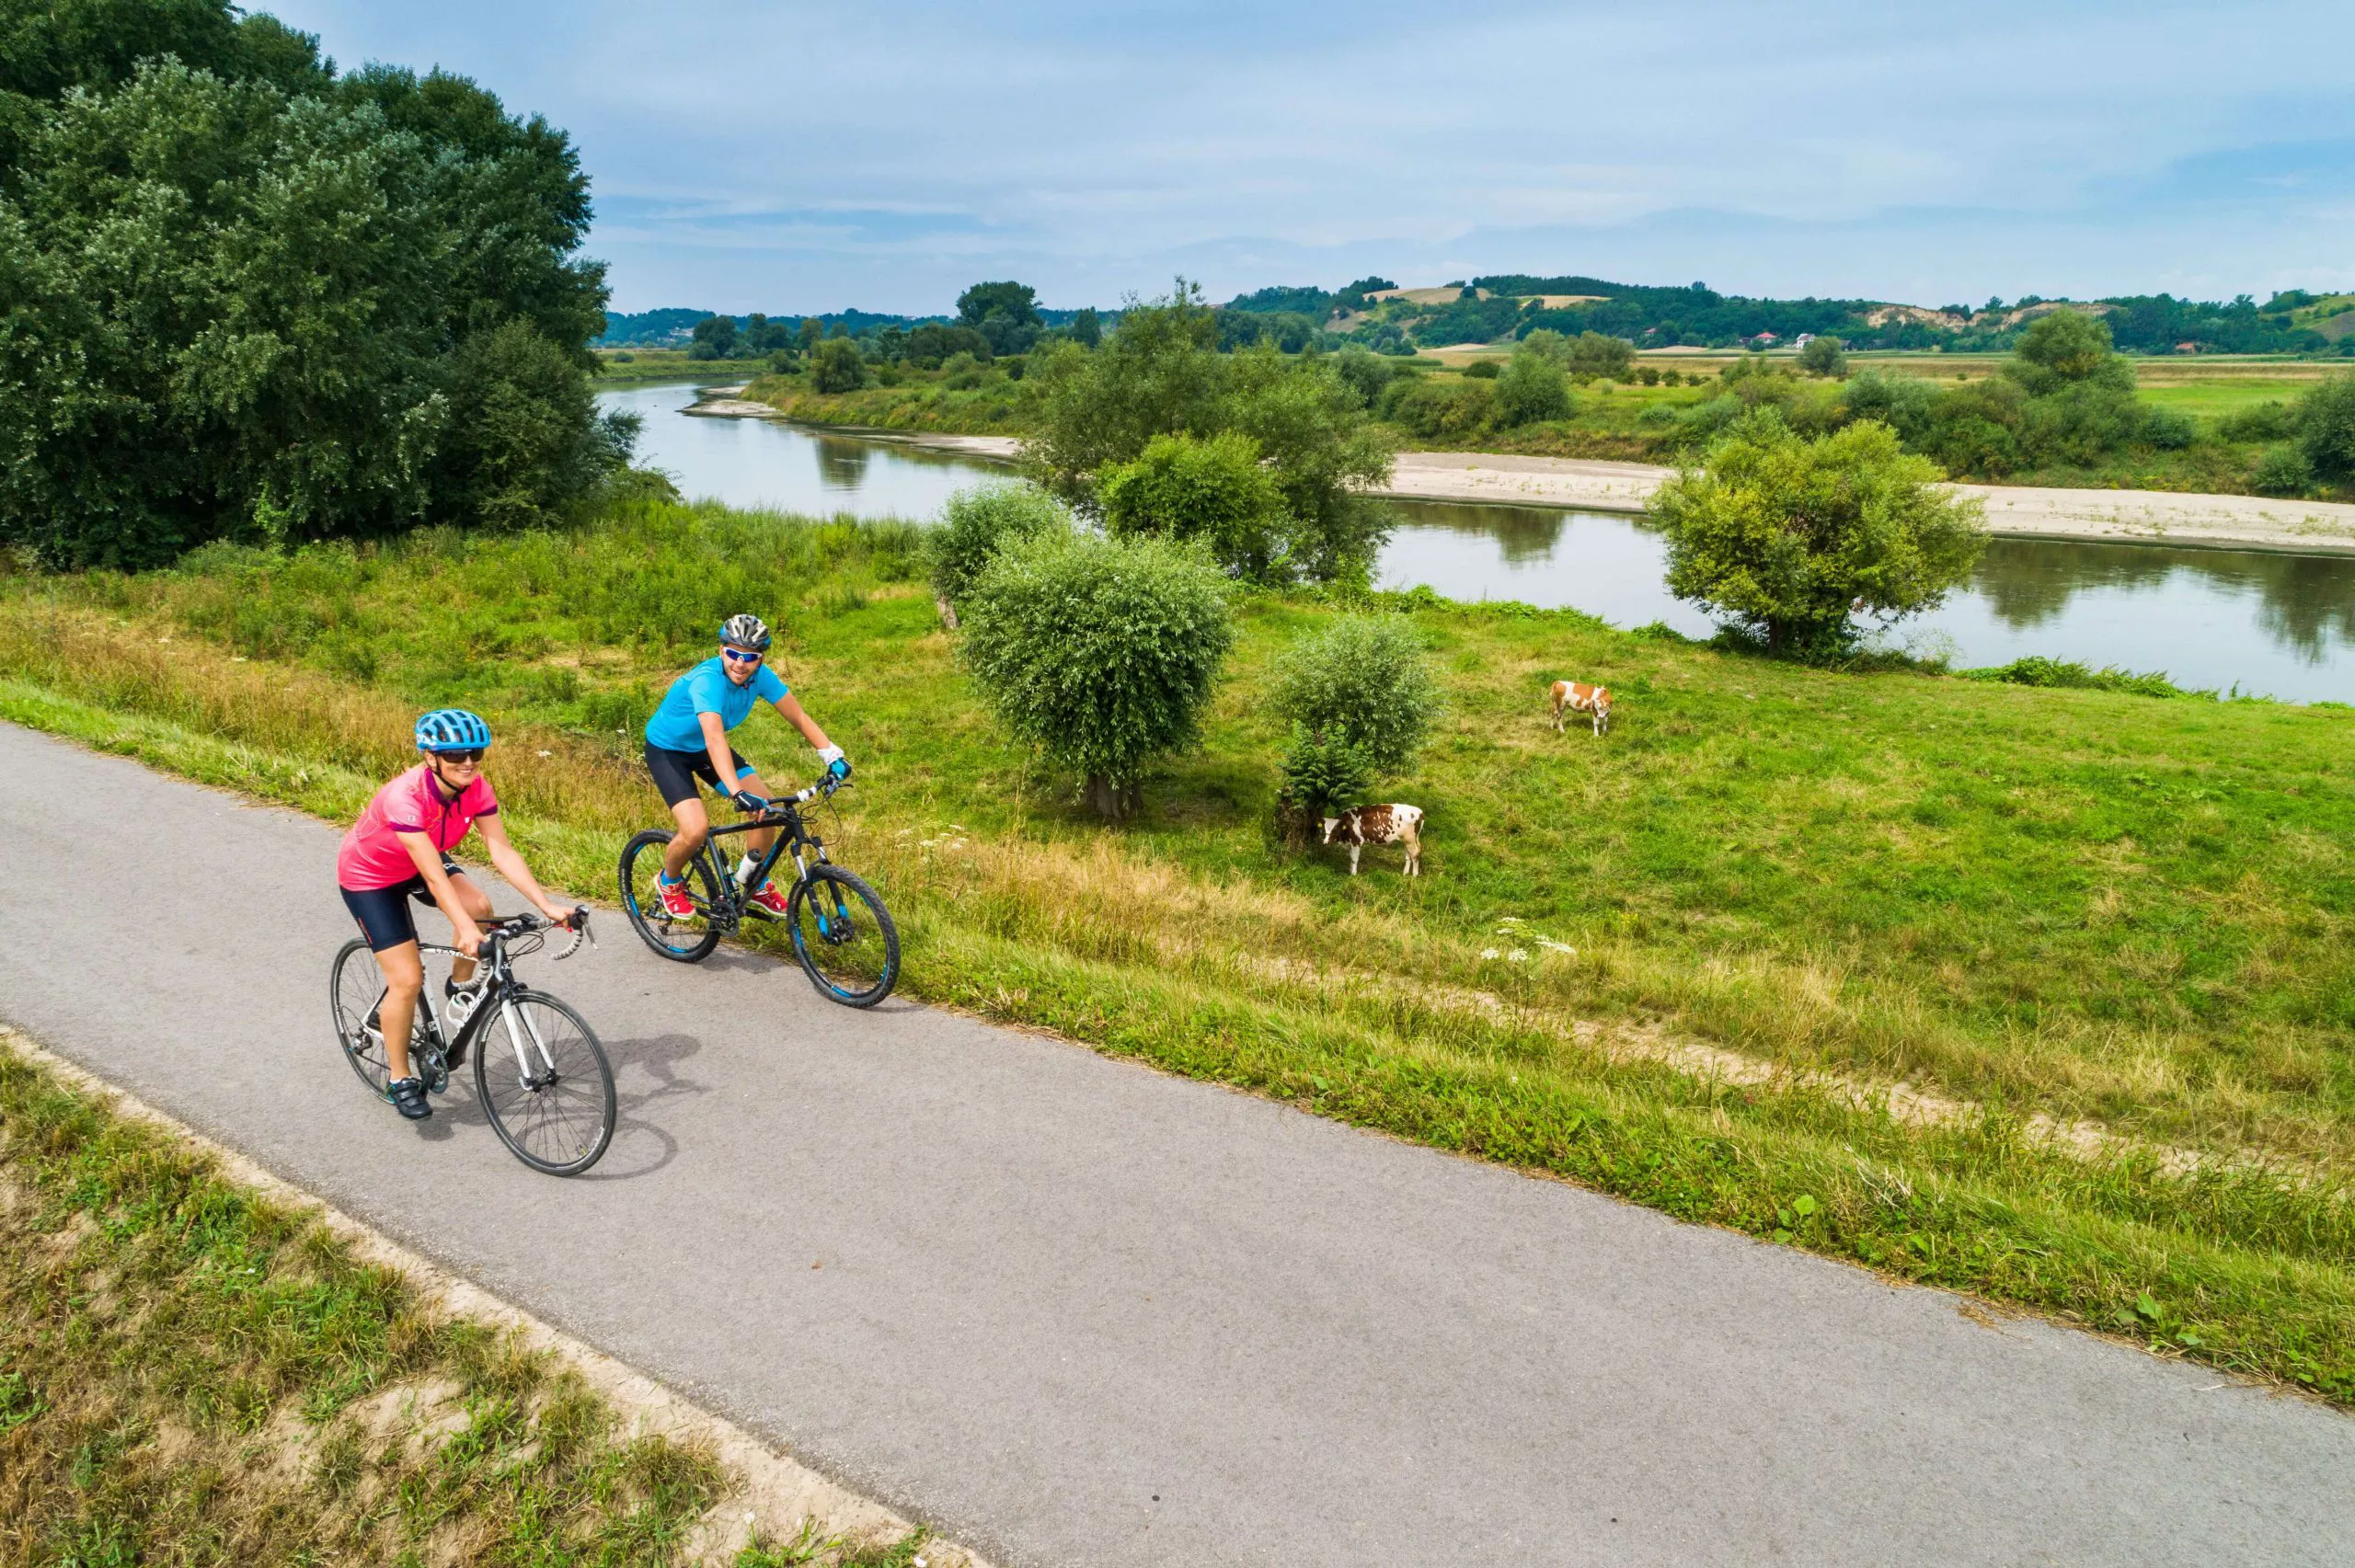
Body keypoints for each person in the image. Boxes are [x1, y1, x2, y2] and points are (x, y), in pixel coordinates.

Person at [338, 709, 581, 1122]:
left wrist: (547, 905)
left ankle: (459, 985)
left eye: (475, 753)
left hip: (421, 860)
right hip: (372, 877)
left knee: (480, 908)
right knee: (407, 980)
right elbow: (434, 879)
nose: (467, 762)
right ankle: (400, 1079)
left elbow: (501, 850)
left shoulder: (475, 787)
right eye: (455, 755)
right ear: (431, 757)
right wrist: (466, 931)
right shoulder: (406, 796)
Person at [642, 613, 849, 920]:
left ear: (760, 658)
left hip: (705, 749)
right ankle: (669, 880)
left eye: (749, 657)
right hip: (668, 750)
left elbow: (798, 717)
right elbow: (714, 738)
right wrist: (737, 792)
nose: (740, 663)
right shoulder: (707, 681)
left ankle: (753, 879)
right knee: (695, 829)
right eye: (733, 653)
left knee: (765, 809)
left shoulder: (762, 677)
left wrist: (831, 755)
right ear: (721, 651)